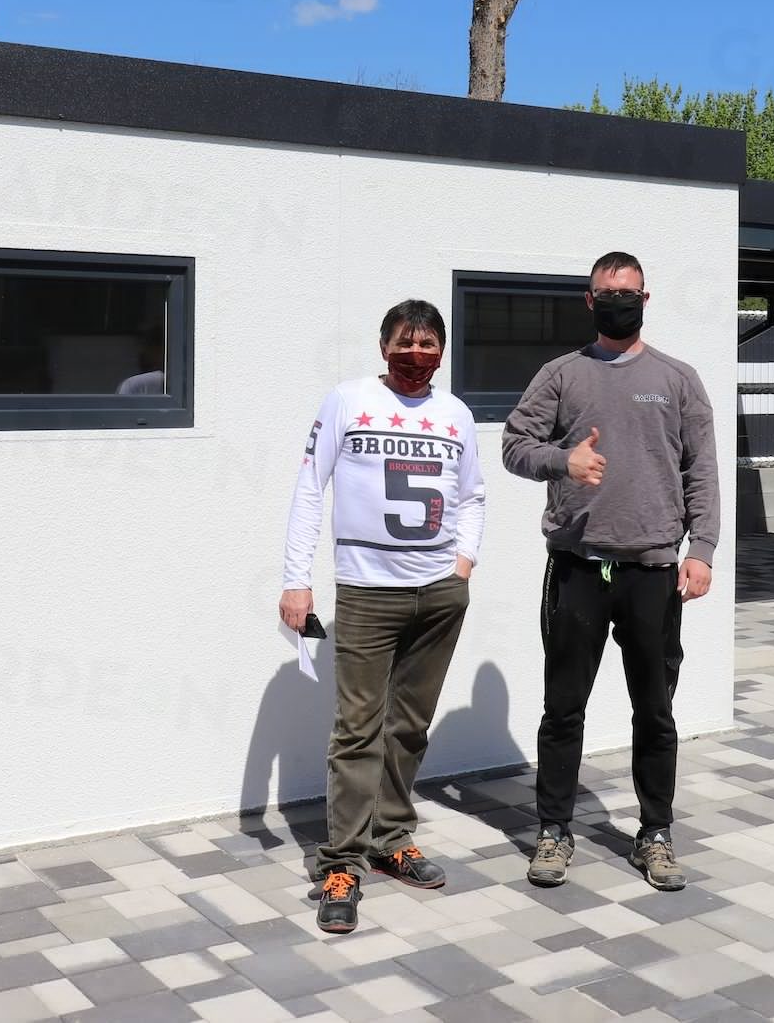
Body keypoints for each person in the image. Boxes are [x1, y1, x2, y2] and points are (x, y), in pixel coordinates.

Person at [501, 251, 719, 892]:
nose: (619, 300)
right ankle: (553, 831)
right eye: (607, 292)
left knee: (655, 713)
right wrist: (562, 462)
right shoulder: (562, 375)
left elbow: (701, 470)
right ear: (589, 301)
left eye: (629, 292)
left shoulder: (679, 379)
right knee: (563, 711)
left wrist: (701, 551)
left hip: (652, 572)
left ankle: (655, 833)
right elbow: (515, 444)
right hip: (576, 570)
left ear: (645, 300)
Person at [281, 299, 486, 934]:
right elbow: (311, 487)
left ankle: (393, 837)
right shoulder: (346, 400)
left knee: (410, 725)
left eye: (428, 344)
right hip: (367, 592)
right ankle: (340, 861)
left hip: (439, 594)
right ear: (382, 344)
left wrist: (463, 564)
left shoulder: (455, 414)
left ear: (443, 352)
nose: (416, 354)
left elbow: (474, 493)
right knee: (356, 730)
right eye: (405, 342)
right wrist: (297, 580)